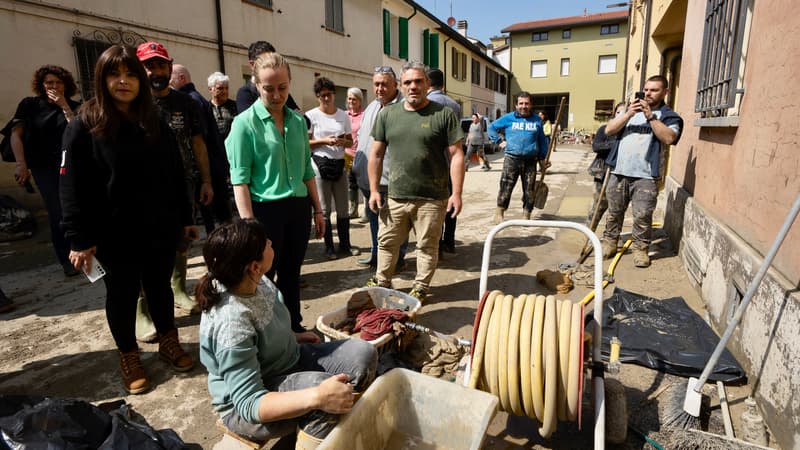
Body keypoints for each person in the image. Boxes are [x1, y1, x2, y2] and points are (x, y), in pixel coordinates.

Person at [60, 44, 196, 394]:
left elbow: (176, 173)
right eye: (114, 74)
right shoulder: (84, 124)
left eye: (130, 74)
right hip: (111, 234)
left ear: (139, 79)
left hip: (159, 228)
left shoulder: (155, 121)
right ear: (101, 79)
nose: (123, 81)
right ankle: (129, 356)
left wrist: (185, 217)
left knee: (160, 288)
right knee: (121, 295)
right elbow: (70, 184)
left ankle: (169, 342)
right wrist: (78, 238)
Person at [197, 219, 377, 447]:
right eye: (266, 243)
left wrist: (292, 336)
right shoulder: (232, 323)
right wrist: (317, 396)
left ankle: (318, 423)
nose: (271, 242)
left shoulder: (253, 280)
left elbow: (264, 324)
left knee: (363, 354)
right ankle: (315, 436)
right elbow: (249, 404)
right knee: (327, 395)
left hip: (286, 364)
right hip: (246, 408)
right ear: (254, 266)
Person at [225, 52, 324, 333]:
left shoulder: (296, 122)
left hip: (298, 209)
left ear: (290, 83)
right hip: (264, 211)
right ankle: (265, 333)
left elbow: (306, 170)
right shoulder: (244, 124)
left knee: (292, 273)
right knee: (262, 277)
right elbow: (240, 181)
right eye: (269, 88)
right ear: (256, 85)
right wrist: (249, 226)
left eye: (282, 87)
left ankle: (293, 326)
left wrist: (318, 210)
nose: (277, 94)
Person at [366, 61, 464, 302]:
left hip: (432, 198)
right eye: (408, 82)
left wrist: (457, 194)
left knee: (427, 246)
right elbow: (376, 154)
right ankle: (382, 281)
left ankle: (420, 286)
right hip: (396, 195)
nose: (413, 86)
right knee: (386, 243)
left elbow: (457, 155)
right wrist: (374, 190)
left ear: (427, 84)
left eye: (418, 81)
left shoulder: (444, 114)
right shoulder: (388, 114)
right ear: (401, 85)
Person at [136, 41, 213, 317]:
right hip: (143, 190)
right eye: (149, 66)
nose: (155, 71)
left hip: (183, 185)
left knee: (183, 238)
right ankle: (142, 309)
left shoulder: (185, 103)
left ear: (170, 68)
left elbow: (198, 143)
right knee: (143, 250)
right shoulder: (133, 104)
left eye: (160, 65)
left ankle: (178, 288)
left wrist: (205, 180)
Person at [601, 75, 683, 268]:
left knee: (642, 216)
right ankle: (610, 242)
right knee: (614, 212)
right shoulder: (629, 111)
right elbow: (609, 130)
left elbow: (670, 138)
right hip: (619, 172)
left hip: (645, 176)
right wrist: (628, 114)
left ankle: (640, 249)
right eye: (646, 89)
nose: (648, 93)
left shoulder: (669, 116)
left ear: (665, 92)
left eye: (654, 90)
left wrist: (650, 116)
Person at [6, 65, 80, 276]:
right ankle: (67, 258)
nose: (54, 86)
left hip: (71, 165)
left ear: (66, 85)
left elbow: (78, 133)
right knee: (58, 211)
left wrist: (64, 105)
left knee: (77, 209)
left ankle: (84, 250)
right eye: (49, 82)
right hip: (44, 167)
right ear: (41, 85)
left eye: (58, 82)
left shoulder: (75, 106)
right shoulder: (29, 105)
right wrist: (22, 164)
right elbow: (16, 135)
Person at [351, 66, 408, 270]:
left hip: (391, 178)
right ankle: (376, 255)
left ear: (395, 84)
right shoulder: (373, 107)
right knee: (375, 221)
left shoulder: (404, 106)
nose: (380, 88)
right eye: (376, 84)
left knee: (395, 224)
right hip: (368, 178)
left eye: (385, 84)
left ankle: (398, 258)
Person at [170, 63, 232, 233]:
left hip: (210, 166)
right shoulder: (195, 99)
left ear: (181, 78)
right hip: (212, 165)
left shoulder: (191, 100)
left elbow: (200, 138)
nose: (168, 83)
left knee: (217, 212)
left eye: (171, 78)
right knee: (213, 212)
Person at [305, 77, 359, 260]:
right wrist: (324, 141)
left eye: (329, 95)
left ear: (334, 94)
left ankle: (345, 245)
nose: (326, 99)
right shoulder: (311, 115)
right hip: (319, 165)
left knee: (343, 208)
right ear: (317, 97)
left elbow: (350, 141)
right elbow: (306, 143)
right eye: (322, 96)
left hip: (339, 163)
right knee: (325, 209)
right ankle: (329, 247)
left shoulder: (343, 115)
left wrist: (343, 141)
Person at [488, 92, 549, 223]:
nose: (524, 106)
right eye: (521, 103)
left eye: (526, 103)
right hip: (512, 158)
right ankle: (500, 212)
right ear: (516, 105)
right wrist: (499, 141)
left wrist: (543, 159)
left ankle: (526, 213)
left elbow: (542, 141)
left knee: (529, 189)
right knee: (506, 185)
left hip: (530, 160)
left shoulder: (537, 120)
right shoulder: (508, 118)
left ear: (531, 104)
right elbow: (491, 127)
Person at [426, 68, 461, 255]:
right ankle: (449, 241)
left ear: (427, 83)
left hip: (433, 163)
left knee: (434, 206)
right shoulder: (454, 104)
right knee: (450, 202)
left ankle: (436, 245)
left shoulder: (427, 103)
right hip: (451, 161)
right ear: (443, 84)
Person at [586, 102, 625, 225]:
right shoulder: (604, 129)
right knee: (597, 206)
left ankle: (611, 236)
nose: (621, 115)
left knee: (616, 208)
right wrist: (615, 145)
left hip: (621, 173)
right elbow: (596, 146)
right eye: (618, 112)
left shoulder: (629, 131)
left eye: (624, 112)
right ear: (614, 113)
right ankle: (589, 233)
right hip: (602, 173)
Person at [235, 41, 300, 113]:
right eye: (269, 89)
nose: (276, 96)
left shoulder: (281, 92)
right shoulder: (245, 93)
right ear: (252, 64)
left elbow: (302, 118)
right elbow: (248, 122)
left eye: (282, 87)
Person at [345, 87, 363, 219]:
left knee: (364, 182)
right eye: (349, 98)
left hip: (361, 153)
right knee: (351, 183)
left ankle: (368, 211)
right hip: (347, 155)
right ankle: (353, 209)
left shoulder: (364, 115)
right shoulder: (344, 115)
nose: (351, 101)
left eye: (354, 99)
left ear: (360, 101)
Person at [207, 71, 238, 140]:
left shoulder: (235, 107)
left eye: (226, 88)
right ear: (210, 89)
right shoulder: (206, 108)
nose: (225, 91)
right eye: (220, 88)